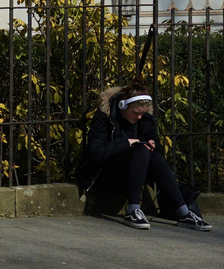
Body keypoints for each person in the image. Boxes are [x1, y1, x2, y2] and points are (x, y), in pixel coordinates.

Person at [75, 79, 211, 231]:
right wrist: (127, 143)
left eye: (142, 113)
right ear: (123, 105)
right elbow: (96, 153)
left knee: (153, 154)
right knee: (139, 149)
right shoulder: (105, 116)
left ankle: (184, 213)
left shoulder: (144, 119)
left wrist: (154, 146)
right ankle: (133, 210)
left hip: (135, 175)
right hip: (105, 175)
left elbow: (156, 147)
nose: (139, 117)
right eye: (135, 113)